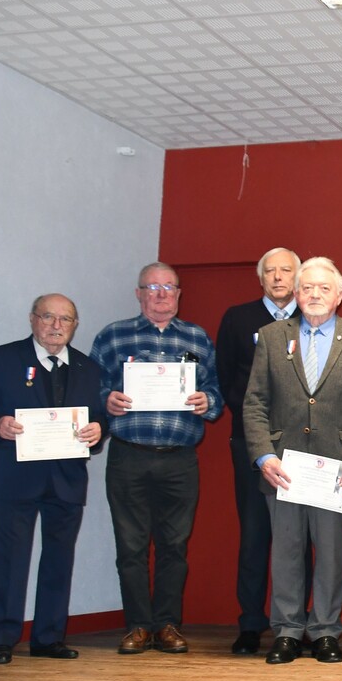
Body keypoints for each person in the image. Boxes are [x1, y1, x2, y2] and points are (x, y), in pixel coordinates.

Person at [243, 256, 342, 664]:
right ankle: (286, 632)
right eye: (308, 288)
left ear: (340, 294)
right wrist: (263, 455)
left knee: (331, 553)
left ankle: (324, 632)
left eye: (324, 288)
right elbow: (254, 403)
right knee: (285, 550)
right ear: (296, 294)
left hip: (337, 468)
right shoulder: (270, 336)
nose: (315, 294)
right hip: (283, 467)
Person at [90, 262, 223, 656]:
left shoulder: (197, 338)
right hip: (128, 456)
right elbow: (89, 388)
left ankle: (166, 624)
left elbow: (215, 389)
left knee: (174, 545)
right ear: (139, 293)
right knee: (130, 546)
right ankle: (137, 626)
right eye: (153, 287)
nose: (162, 294)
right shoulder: (113, 336)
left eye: (169, 287)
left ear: (179, 294)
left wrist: (207, 401)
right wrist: (105, 401)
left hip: (179, 459)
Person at [0, 294, 105, 665]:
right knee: (7, 562)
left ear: (75, 325)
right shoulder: (2, 358)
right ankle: (0, 639)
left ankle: (48, 638)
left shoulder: (88, 368)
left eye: (66, 319)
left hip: (67, 479)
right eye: (48, 317)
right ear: (32, 319)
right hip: (16, 478)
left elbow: (98, 417)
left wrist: (98, 430)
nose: (56, 325)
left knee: (59, 562)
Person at [215, 247, 301, 655]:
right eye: (271, 271)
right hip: (252, 444)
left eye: (287, 270)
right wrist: (261, 430)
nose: (279, 277)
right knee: (254, 536)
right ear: (261, 278)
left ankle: (296, 624)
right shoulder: (238, 318)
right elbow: (227, 381)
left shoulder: (313, 319)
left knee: (300, 538)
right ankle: (250, 623)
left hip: (304, 448)